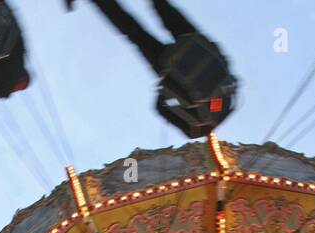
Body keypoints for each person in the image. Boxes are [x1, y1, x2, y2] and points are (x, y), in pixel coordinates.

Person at [69, 0, 237, 138]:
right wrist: (163, 90)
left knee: (163, 9)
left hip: (196, 47)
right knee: (133, 31)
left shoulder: (227, 102)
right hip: (170, 68)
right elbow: (160, 108)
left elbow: (225, 66)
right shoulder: (196, 128)